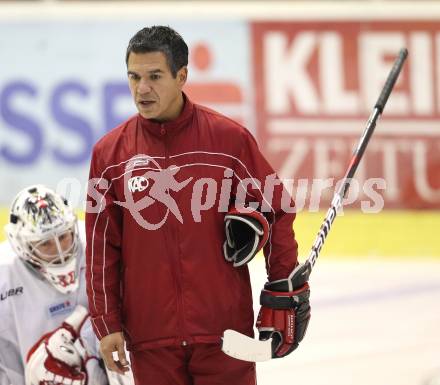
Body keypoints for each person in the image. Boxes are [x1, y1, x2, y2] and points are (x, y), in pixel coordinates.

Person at [85, 25, 311, 385]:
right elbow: (100, 248)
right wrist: (105, 322)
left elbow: (276, 207)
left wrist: (282, 287)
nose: (142, 89)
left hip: (224, 335)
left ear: (182, 76)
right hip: (150, 338)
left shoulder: (228, 140)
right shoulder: (110, 155)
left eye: (155, 76)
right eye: (134, 77)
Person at [0, 184, 133, 385]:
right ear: (22, 244)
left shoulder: (99, 245)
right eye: (45, 243)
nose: (60, 250)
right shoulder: (5, 275)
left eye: (62, 236)